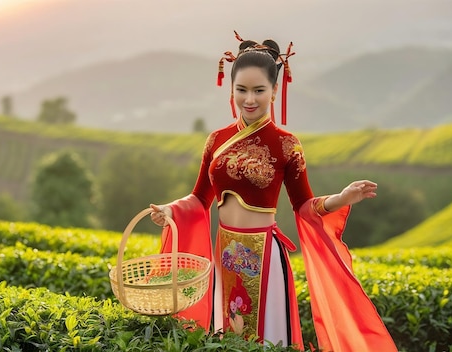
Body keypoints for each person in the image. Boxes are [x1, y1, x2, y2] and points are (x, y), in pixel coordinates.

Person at [149, 31, 397, 352]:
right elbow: (199, 199)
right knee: (227, 340)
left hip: (264, 258)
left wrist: (341, 198)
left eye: (258, 90)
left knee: (267, 341)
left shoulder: (286, 145)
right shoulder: (216, 140)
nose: (249, 99)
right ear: (231, 89)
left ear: (274, 90)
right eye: (241, 90)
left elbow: (305, 205)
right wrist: (170, 210)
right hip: (225, 255)